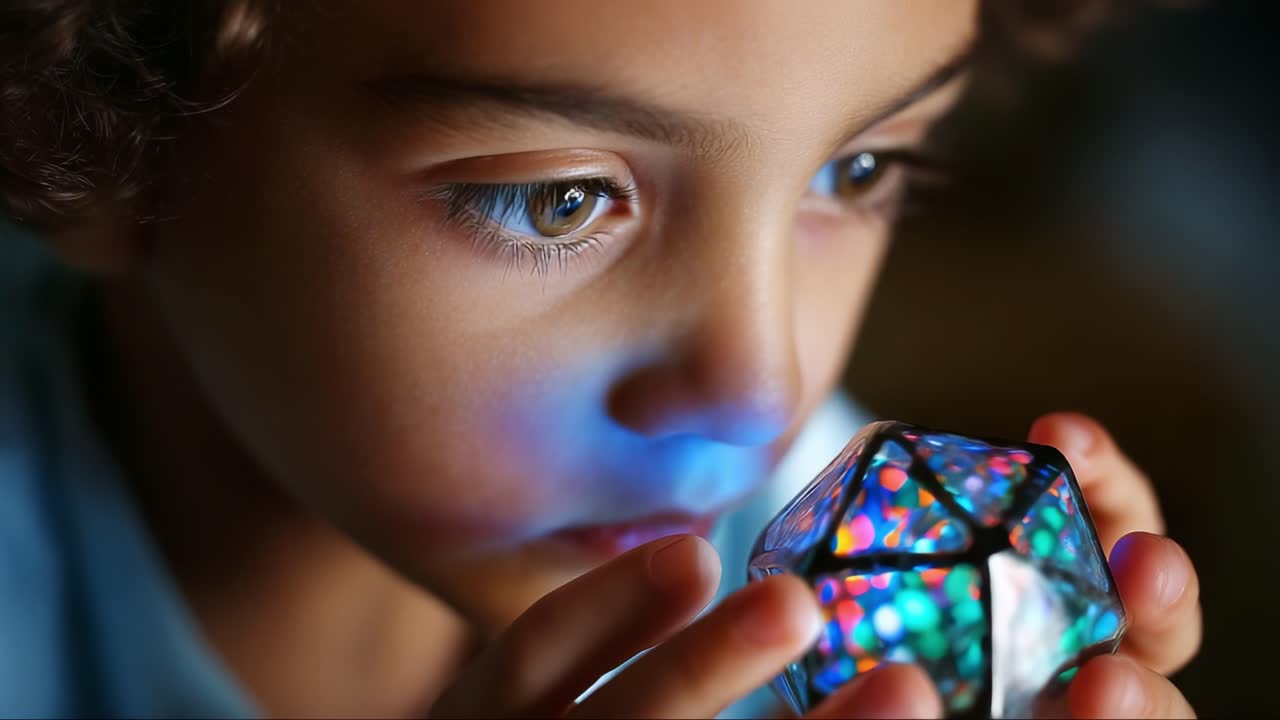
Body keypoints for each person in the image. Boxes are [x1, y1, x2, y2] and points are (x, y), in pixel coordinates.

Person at [0, 1, 1201, 717]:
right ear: (79, 113)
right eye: (559, 200)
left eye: (857, 171)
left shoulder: (851, 583)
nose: (761, 390)